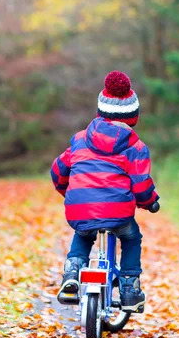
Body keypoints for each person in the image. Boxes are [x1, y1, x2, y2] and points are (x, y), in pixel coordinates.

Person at [50, 71, 159, 312]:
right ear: (133, 117)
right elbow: (141, 185)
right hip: (118, 211)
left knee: (84, 232)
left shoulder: (80, 139)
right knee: (131, 237)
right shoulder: (136, 147)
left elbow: (58, 171)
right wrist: (150, 202)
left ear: (100, 112)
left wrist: (69, 191)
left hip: (80, 208)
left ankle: (72, 271)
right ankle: (130, 289)